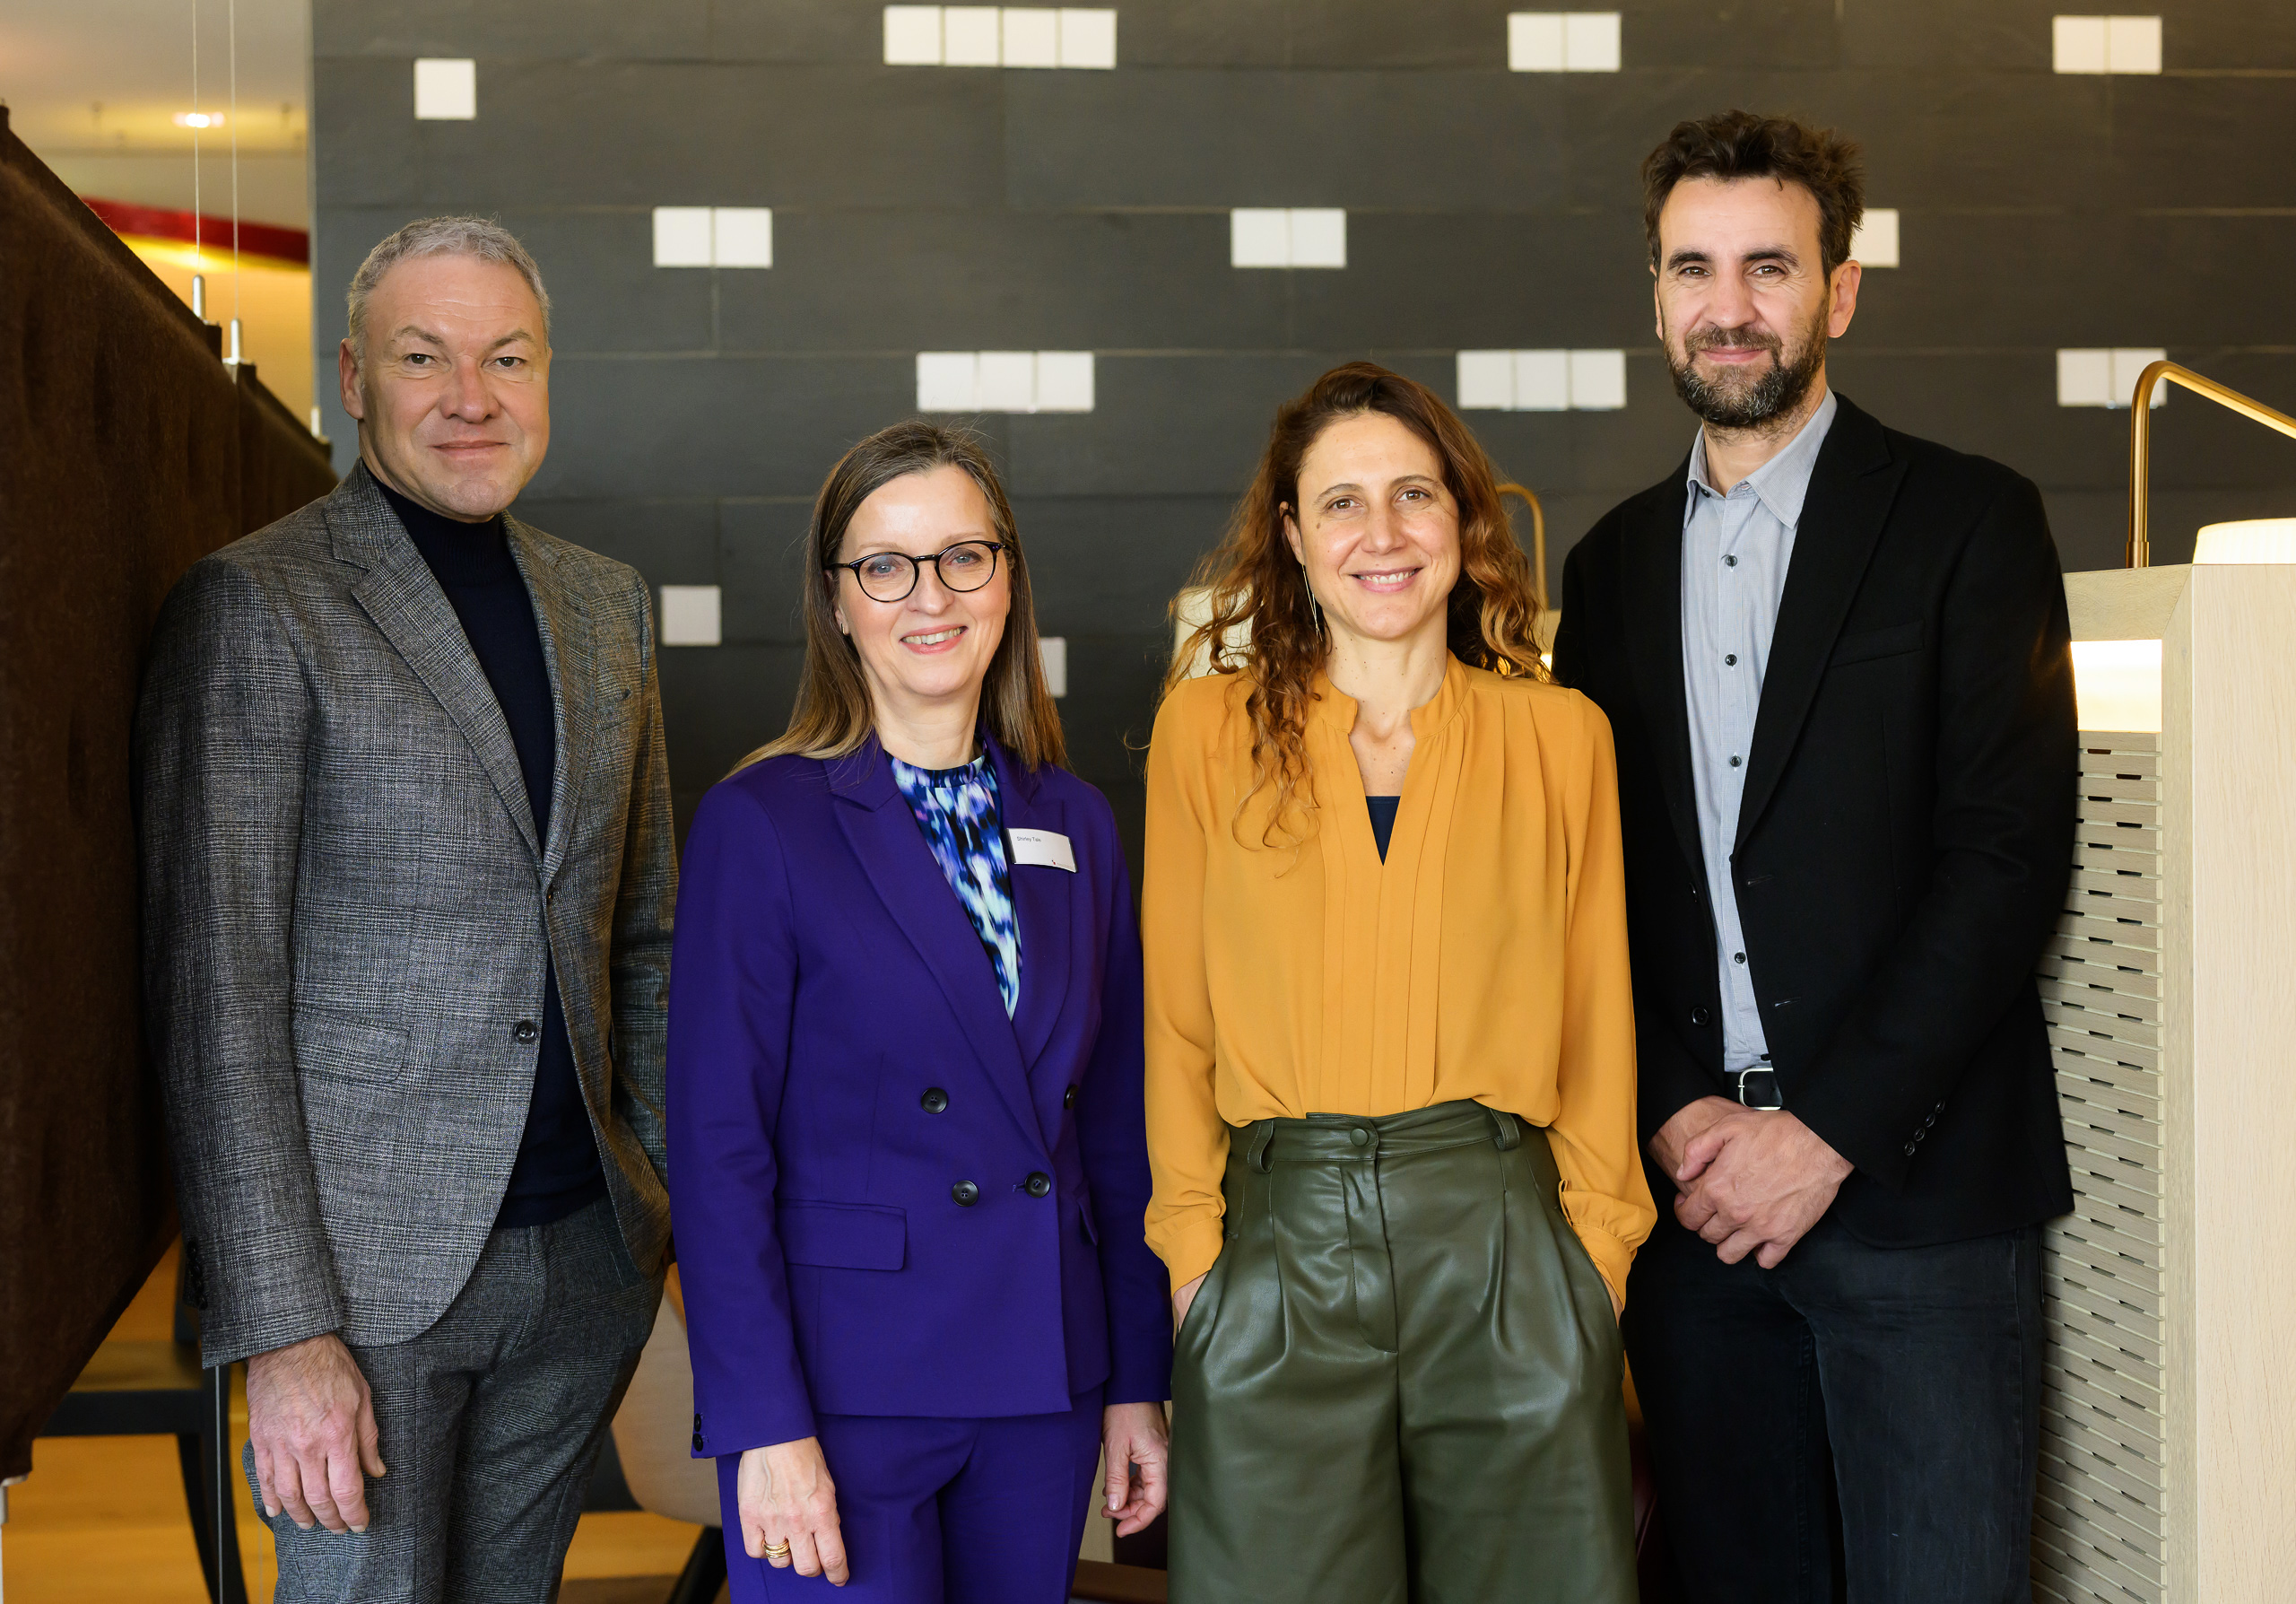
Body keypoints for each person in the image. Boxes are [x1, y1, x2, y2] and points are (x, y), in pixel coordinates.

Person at [1551, 110, 2079, 1602]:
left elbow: (2006, 858)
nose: (1732, 307)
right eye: (1696, 269)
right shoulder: (1604, 571)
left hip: (1919, 1207)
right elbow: (1598, 890)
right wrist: (1671, 1115)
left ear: (1838, 291)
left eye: (1769, 266)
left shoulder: (1971, 522)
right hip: (1699, 1219)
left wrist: (1825, 1131)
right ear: (1654, 296)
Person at [136, 216, 675, 1601]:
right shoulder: (261, 603)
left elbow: (644, 932)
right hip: (362, 1292)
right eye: (424, 356)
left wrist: (656, 1197)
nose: (471, 397)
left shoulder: (605, 607)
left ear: (549, 373)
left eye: (507, 357)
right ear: (355, 378)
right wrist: (284, 1330)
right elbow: (219, 1001)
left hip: (583, 1264)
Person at [1144, 362, 1653, 1603]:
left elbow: (1598, 1014)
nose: (1382, 534)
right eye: (1342, 503)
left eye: (1414, 494)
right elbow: (1177, 1020)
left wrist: (1593, 1258)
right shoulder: (1204, 733)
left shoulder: (1561, 737)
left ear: (1463, 521)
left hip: (1505, 1247)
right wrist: (1195, 1256)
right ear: (1293, 540)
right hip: (1277, 1251)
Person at [666, 422, 1171, 1601]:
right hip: (843, 1391)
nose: (927, 595)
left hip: (1043, 1377)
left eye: (963, 557)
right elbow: (716, 1152)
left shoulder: (1077, 821)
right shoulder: (764, 822)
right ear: (837, 603)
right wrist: (761, 1426)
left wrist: (1136, 1378)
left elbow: (1114, 1129)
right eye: (884, 565)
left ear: (1008, 581)